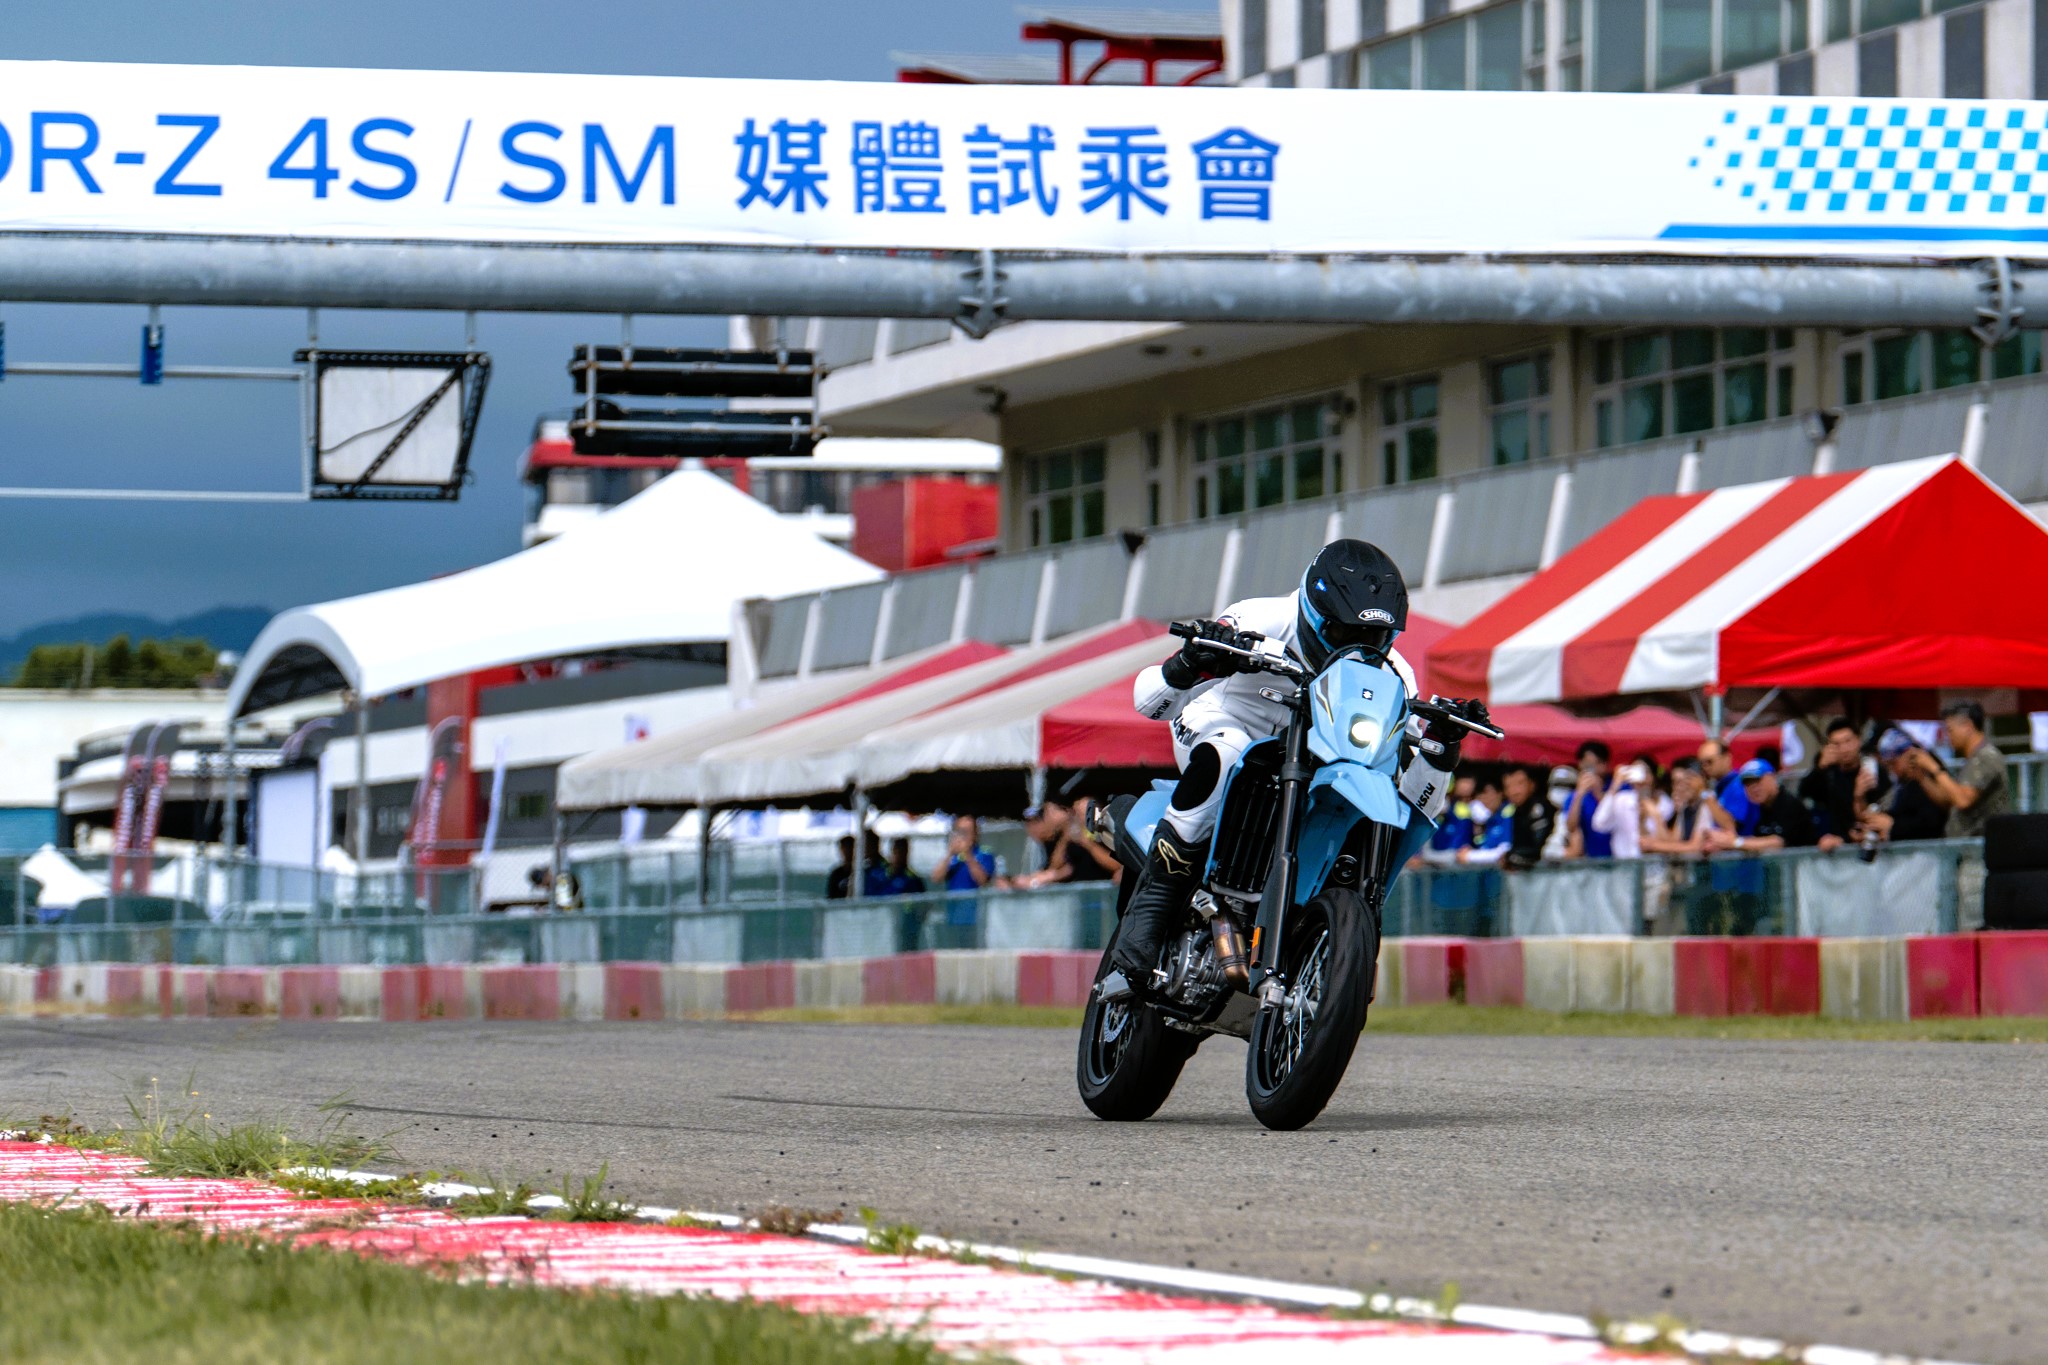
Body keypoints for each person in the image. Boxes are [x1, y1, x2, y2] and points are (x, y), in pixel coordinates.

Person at [1104, 538, 1481, 999]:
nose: (1360, 648)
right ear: (1315, 615)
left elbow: (1415, 796)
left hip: (1316, 755)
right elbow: (1149, 702)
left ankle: (1325, 938)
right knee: (1228, 752)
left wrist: (1441, 749)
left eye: (1374, 638)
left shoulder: (1396, 674)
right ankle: (1152, 908)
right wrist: (1192, 664)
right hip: (1224, 724)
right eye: (1345, 634)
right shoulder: (1257, 617)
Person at [1908, 701, 2010, 839]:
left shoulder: (1986, 757)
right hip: (1967, 846)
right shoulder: (1973, 759)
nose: (1947, 736)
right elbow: (1949, 800)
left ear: (1967, 726)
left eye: (1950, 730)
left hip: (1981, 846)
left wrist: (1934, 767)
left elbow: (1963, 800)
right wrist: (1922, 777)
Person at [1797, 718, 1889, 851]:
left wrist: (1860, 795)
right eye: (1837, 744)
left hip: (1870, 842)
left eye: (1848, 741)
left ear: (1858, 741)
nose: (1844, 749)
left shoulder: (1872, 770)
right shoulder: (1829, 774)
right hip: (1837, 843)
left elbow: (1879, 809)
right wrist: (1819, 768)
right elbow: (1804, 792)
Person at [1706, 759, 1817, 852]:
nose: (1753, 788)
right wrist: (1722, 844)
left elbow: (1778, 842)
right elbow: (1754, 840)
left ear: (1772, 777)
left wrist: (1735, 842)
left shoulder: (1789, 804)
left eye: (1757, 780)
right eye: (1747, 783)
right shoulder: (1758, 807)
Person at [1462, 764, 1554, 871]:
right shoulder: (1516, 812)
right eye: (1508, 786)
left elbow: (1538, 847)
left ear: (1532, 785)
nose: (1514, 791)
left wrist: (1511, 856)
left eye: (1520, 784)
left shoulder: (1539, 809)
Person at [1864, 729, 1948, 844]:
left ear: (1907, 754)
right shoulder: (1905, 781)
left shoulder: (1926, 775)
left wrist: (1893, 825)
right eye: (1888, 766)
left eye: (1893, 763)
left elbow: (1932, 821)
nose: (1892, 770)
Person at [1562, 741, 1614, 859]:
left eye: (1599, 763)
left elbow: (1617, 818)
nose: (1594, 769)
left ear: (1606, 765)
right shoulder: (1573, 796)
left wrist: (1598, 794)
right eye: (1588, 765)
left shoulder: (1616, 787)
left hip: (1617, 857)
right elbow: (1571, 827)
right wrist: (1579, 794)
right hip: (1590, 859)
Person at [1698, 737, 1758, 835]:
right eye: (1701, 763)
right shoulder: (1720, 786)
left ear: (1727, 758)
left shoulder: (1739, 785)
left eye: (1709, 761)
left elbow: (1731, 827)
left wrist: (1704, 793)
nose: (1705, 767)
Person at [930, 814, 998, 892]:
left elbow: (982, 881)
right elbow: (936, 878)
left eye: (967, 832)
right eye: (959, 831)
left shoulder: (984, 853)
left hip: (975, 898)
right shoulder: (952, 856)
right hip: (953, 898)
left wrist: (968, 854)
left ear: (975, 834)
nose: (963, 836)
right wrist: (949, 853)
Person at [824, 834, 857, 900]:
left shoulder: (862, 871)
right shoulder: (836, 873)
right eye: (845, 847)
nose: (848, 850)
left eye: (850, 847)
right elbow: (831, 896)